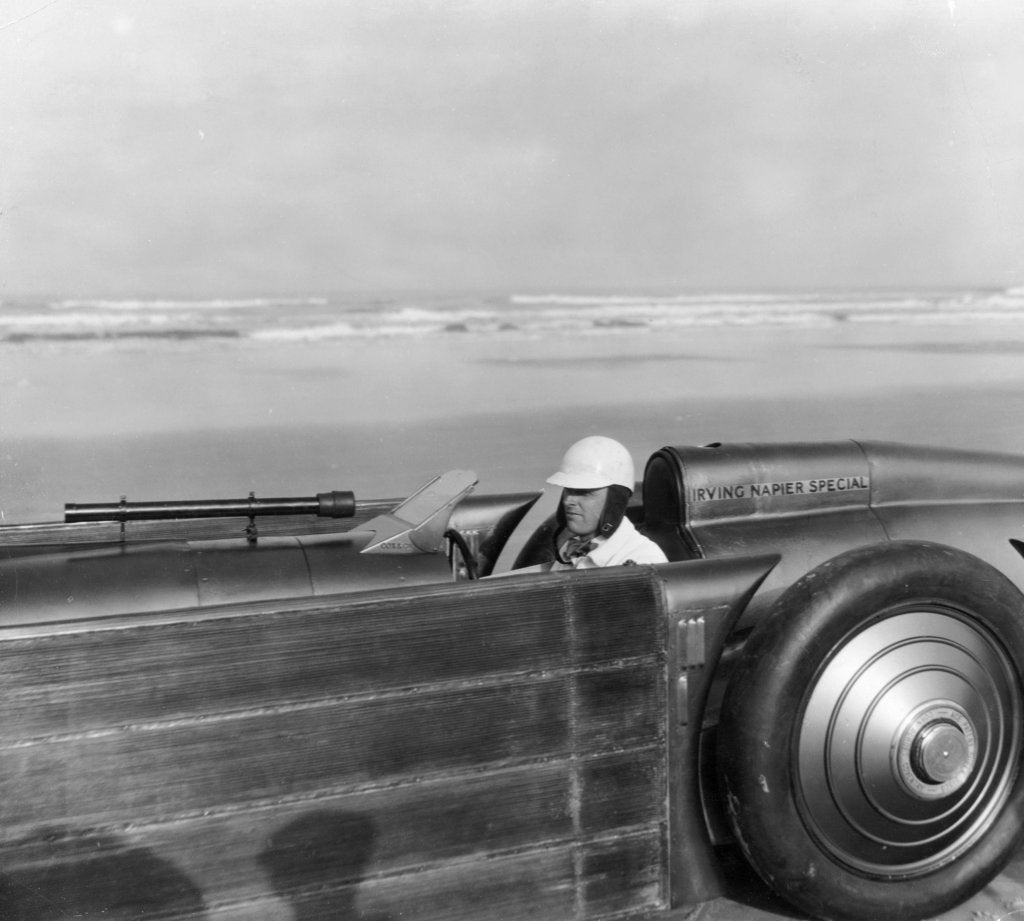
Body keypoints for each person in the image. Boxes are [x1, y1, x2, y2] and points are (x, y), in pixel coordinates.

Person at [545, 436, 667, 569]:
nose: (568, 500)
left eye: (585, 492)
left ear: (615, 500)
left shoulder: (644, 560)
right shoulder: (569, 550)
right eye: (568, 490)